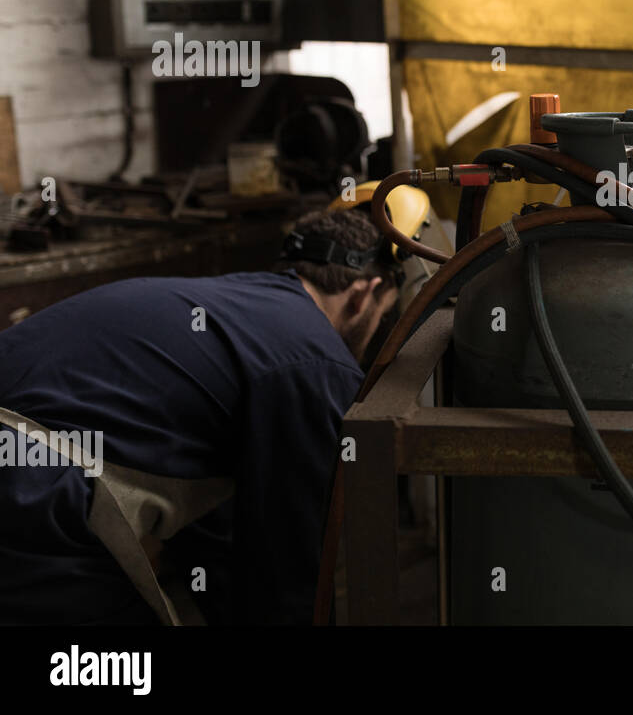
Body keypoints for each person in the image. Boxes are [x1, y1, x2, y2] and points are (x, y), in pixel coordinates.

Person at [0, 208, 400, 624]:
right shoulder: (317, 363)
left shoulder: (227, 311)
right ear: (363, 294)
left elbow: (216, 529)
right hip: (31, 486)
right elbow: (291, 561)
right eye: (383, 312)